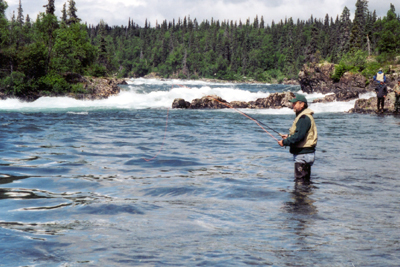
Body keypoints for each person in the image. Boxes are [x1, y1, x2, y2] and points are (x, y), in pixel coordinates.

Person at [278, 95, 318, 183]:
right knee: (305, 183)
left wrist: (284, 142)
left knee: (300, 185)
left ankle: (300, 196)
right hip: (307, 154)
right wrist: (289, 136)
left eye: (295, 103)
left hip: (303, 155)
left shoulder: (304, 118)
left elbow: (299, 137)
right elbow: (302, 134)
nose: (293, 105)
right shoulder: (305, 117)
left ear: (302, 104)